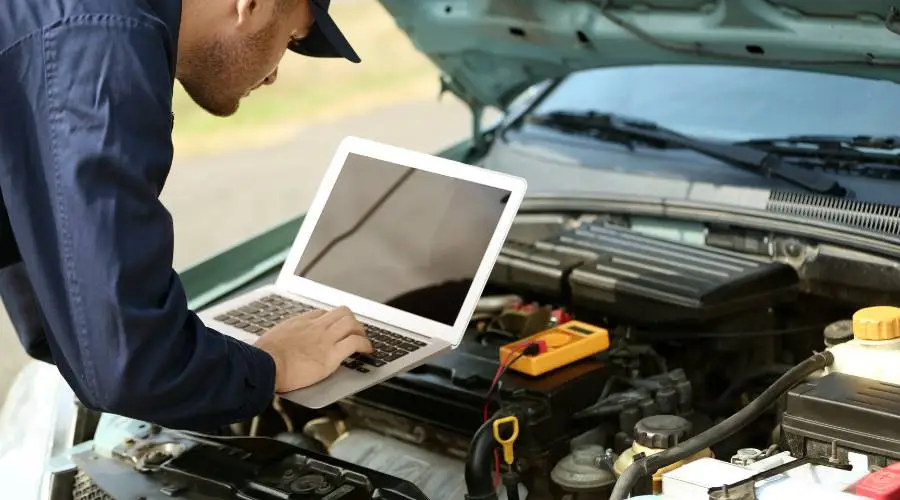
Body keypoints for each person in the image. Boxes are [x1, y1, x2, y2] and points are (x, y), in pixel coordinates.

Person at [0, 0, 374, 431]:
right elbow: (130, 365)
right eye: (289, 38)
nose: (274, 75)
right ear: (250, 5)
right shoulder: (103, 45)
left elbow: (61, 311)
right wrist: (273, 365)